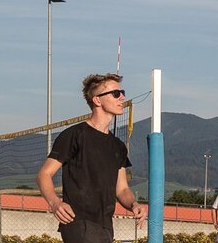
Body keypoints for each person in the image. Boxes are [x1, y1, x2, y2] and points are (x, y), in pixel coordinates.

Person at [36, 73, 141, 243]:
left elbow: (122, 190)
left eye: (122, 92)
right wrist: (55, 203)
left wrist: (134, 205)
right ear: (97, 100)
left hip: (105, 225)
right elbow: (44, 174)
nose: (122, 97)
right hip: (78, 222)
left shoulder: (118, 146)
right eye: (115, 93)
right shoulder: (75, 135)